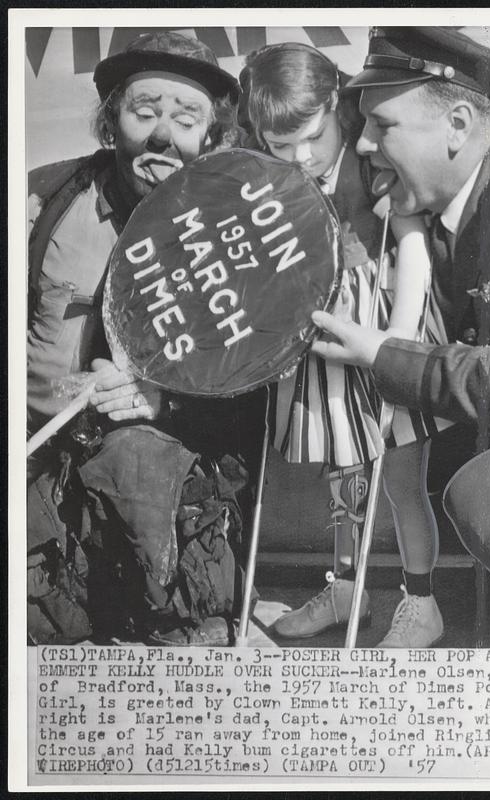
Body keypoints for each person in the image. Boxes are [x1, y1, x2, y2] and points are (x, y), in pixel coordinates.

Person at [27, 31, 265, 646]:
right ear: (111, 124)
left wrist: (168, 399)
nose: (163, 135)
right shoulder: (44, 200)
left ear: (212, 136)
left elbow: (251, 399)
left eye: (186, 119)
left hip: (156, 473)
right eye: (145, 112)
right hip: (38, 459)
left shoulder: (235, 231)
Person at [311, 26, 490, 622]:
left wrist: (383, 354)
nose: (363, 145)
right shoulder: (431, 205)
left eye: (384, 125)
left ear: (458, 125)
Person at [241, 42, 452, 647]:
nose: (301, 157)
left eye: (313, 136)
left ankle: (422, 603)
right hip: (325, 333)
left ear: (338, 103)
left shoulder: (372, 159)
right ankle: (345, 589)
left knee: (402, 479)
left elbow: (412, 246)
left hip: (386, 321)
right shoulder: (270, 175)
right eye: (281, 146)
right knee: (344, 478)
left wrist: (403, 339)